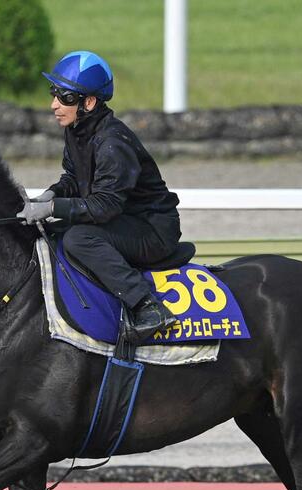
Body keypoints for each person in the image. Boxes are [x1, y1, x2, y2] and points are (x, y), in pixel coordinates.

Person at [17, 50, 180, 343]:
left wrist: (53, 207)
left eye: (64, 97)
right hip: (123, 220)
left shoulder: (112, 143)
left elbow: (104, 206)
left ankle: (148, 307)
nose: (54, 104)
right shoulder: (78, 129)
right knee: (53, 230)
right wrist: (49, 195)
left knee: (79, 238)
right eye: (54, 93)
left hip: (152, 230)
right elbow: (74, 179)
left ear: (89, 102)